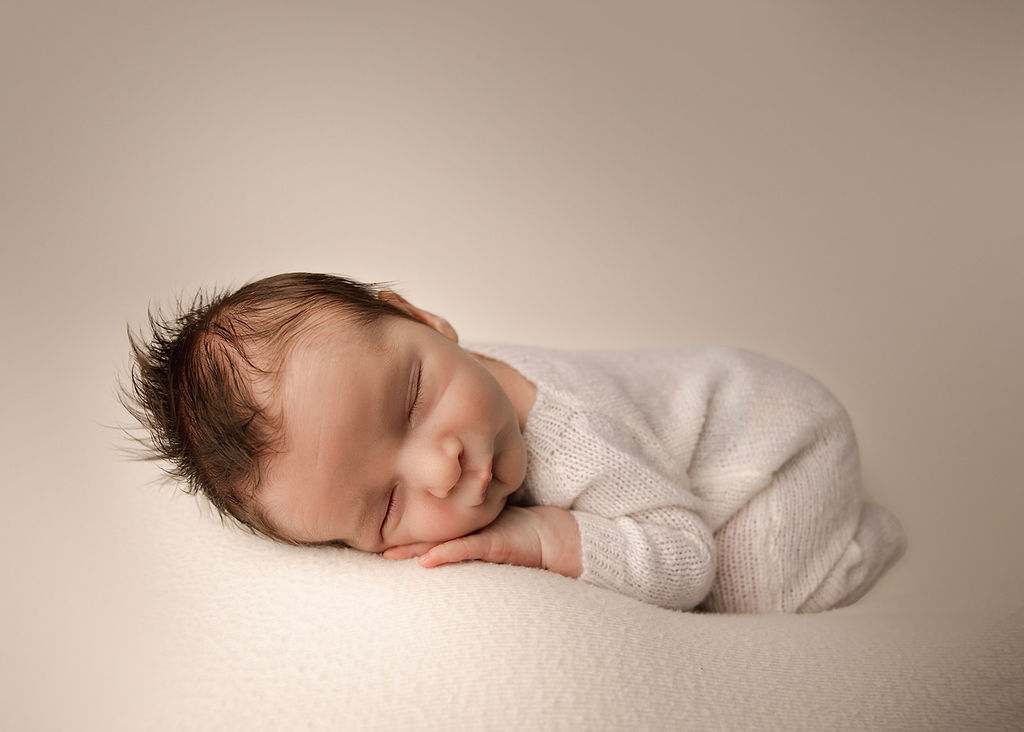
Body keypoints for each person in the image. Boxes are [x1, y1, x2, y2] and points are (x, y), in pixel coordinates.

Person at [125, 272, 905, 612]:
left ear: (425, 321)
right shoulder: (449, 385)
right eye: (388, 506)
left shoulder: (569, 437)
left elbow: (687, 557)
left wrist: (545, 537)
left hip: (774, 438)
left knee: (749, 602)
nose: (441, 464)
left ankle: (856, 545)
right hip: (717, 438)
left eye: (413, 399)